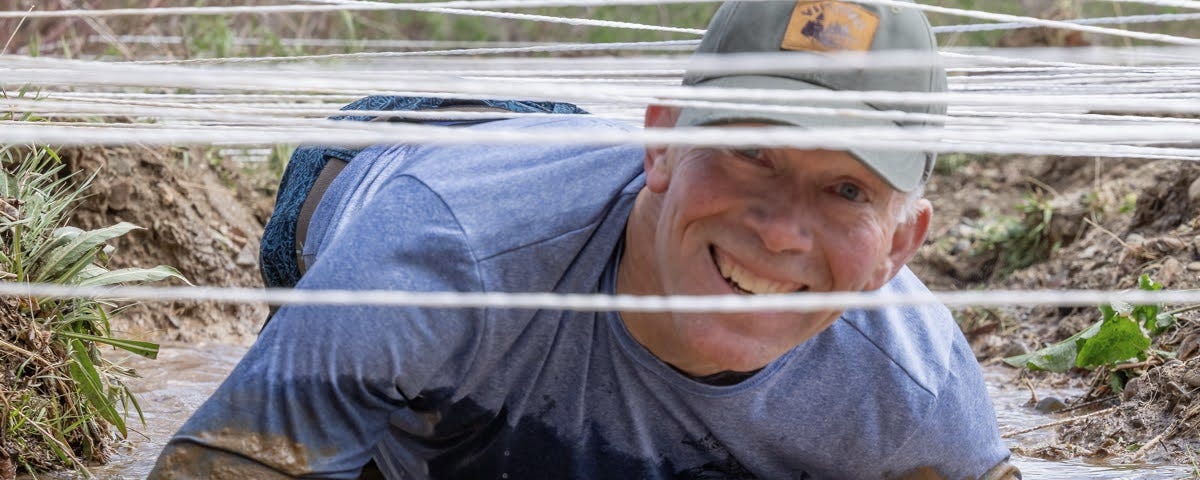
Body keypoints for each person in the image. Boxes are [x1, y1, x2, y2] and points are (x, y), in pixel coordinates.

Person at [151, 1, 1019, 479]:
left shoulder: (916, 399)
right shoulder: (434, 258)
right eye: (752, 151)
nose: (782, 230)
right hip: (392, 156)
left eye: (845, 189)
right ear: (665, 145)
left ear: (902, 245)